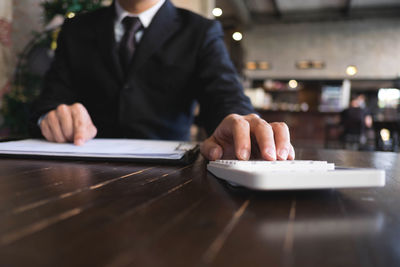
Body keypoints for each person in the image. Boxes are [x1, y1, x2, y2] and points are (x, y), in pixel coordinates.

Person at [30, 0, 295, 161]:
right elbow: (50, 100)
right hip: (83, 168)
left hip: (169, 172)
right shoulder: (76, 29)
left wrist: (241, 124)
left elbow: (224, 95)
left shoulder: (200, 31)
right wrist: (52, 117)